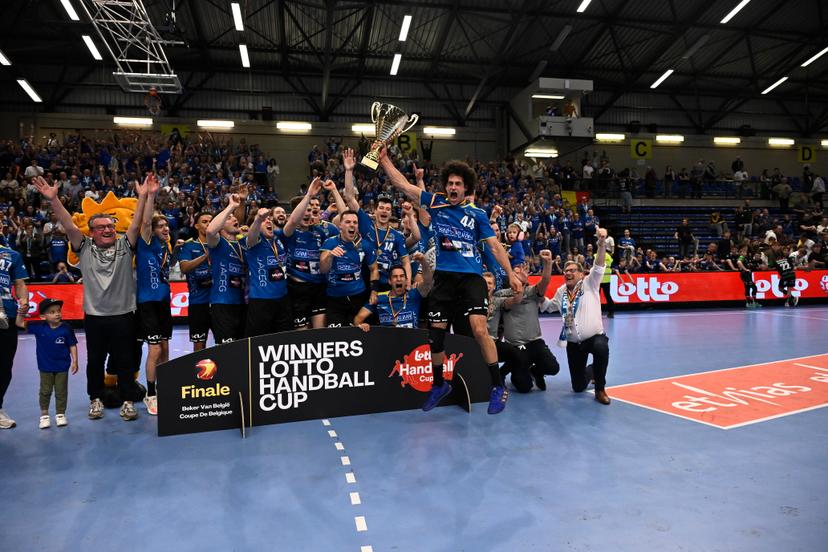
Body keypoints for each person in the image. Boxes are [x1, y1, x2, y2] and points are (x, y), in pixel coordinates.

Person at [379, 149, 520, 415]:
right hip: (443, 277)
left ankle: (497, 386)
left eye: (458, 184)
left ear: (466, 188)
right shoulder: (435, 202)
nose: (453, 187)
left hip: (471, 278)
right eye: (450, 183)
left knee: (479, 329)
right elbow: (401, 184)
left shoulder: (477, 214)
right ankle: (439, 384)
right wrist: (384, 158)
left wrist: (510, 273)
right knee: (436, 336)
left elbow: (494, 246)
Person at [34, 174, 149, 421]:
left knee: (125, 361)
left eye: (110, 226)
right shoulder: (84, 247)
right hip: (95, 317)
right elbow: (69, 225)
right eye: (102, 227)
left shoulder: (124, 245)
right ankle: (95, 399)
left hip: (124, 316)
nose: (108, 229)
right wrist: (54, 200)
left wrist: (143, 196)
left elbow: (136, 224)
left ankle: (128, 401)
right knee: (94, 361)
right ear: (93, 232)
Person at [547, 227, 612, 405]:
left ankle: (600, 389)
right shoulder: (561, 292)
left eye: (572, 270)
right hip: (574, 344)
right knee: (577, 386)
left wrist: (601, 243)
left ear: (582, 273)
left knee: (601, 348)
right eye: (566, 271)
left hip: (594, 337)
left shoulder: (590, 283)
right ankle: (591, 371)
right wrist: (533, 296)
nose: (567, 273)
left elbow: (598, 265)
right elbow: (549, 306)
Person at [497, 250, 560, 393]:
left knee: (553, 368)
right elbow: (516, 299)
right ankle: (509, 372)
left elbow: (545, 281)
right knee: (524, 387)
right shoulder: (502, 295)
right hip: (515, 346)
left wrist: (548, 263)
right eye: (516, 270)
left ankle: (536, 372)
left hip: (535, 342)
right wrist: (518, 283)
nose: (522, 271)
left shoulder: (532, 292)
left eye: (523, 270)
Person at [135, 176, 172, 416]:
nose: (165, 228)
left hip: (163, 302)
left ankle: (166, 387)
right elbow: (146, 221)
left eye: (166, 225)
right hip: (147, 302)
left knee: (166, 349)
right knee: (155, 350)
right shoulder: (146, 243)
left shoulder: (166, 247)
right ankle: (151, 393)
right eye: (161, 226)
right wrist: (150, 195)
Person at [282, 178, 335, 329]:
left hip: (319, 288)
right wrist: (309, 195)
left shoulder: (321, 232)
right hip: (297, 289)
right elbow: (292, 221)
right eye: (304, 210)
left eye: (311, 211)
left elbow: (345, 218)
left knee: (320, 333)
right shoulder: (289, 233)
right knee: (302, 335)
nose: (308, 214)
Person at [22, 299, 78, 429]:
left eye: (58, 311)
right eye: (52, 312)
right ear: (43, 316)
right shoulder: (39, 327)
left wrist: (75, 361)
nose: (57, 314)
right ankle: (44, 415)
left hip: (62, 366)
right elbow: (19, 323)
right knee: (45, 391)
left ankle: (60, 414)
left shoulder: (66, 329)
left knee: (61, 391)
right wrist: (21, 312)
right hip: (45, 367)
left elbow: (72, 345)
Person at [319, 210, 379, 327]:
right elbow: (323, 269)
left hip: (358, 297)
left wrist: (374, 291)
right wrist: (331, 255)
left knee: (359, 333)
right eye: (348, 222)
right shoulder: (329, 242)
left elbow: (374, 269)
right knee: (337, 337)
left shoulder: (365, 245)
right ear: (340, 225)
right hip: (335, 298)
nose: (352, 225)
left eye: (355, 222)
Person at [205, 193, 248, 343]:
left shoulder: (243, 243)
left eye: (234, 217)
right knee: (226, 350)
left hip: (242, 303)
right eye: (229, 218)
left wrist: (241, 203)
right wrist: (230, 207)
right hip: (222, 302)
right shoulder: (217, 243)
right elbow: (210, 231)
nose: (235, 219)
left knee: (243, 350)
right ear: (221, 224)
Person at [243, 207, 292, 337]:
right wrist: (258, 218)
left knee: (283, 341)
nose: (268, 221)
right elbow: (251, 237)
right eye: (264, 221)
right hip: (261, 300)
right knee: (257, 342)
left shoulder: (278, 239)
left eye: (269, 219)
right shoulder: (253, 241)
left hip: (283, 298)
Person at [354, 252, 432, 329]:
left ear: (406, 280)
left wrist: (423, 261)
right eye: (395, 276)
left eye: (402, 276)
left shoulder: (414, 294)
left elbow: (428, 282)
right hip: (387, 340)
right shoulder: (379, 298)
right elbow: (358, 319)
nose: (398, 279)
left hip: (412, 339)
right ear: (390, 281)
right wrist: (361, 326)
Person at [0, 238, 28, 429]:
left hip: (7, 315)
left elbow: (19, 282)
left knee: (4, 366)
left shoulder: (12, 254)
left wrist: (24, 300)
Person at [177, 212, 214, 351]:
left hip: (220, 303)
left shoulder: (221, 244)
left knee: (226, 343)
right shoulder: (189, 245)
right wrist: (205, 256)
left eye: (211, 221)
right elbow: (184, 267)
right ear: (197, 226)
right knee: (199, 344)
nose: (209, 224)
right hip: (198, 303)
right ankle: (200, 373)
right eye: (204, 222)